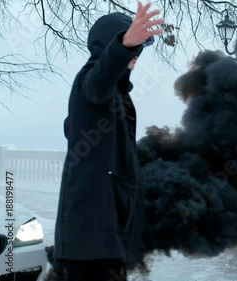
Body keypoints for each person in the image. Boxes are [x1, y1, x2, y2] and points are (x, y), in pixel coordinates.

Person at [52, 2, 164, 280]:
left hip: (105, 237)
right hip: (91, 239)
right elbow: (99, 80)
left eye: (140, 50)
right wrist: (124, 45)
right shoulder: (92, 81)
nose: (137, 56)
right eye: (135, 49)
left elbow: (77, 129)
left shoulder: (111, 96)